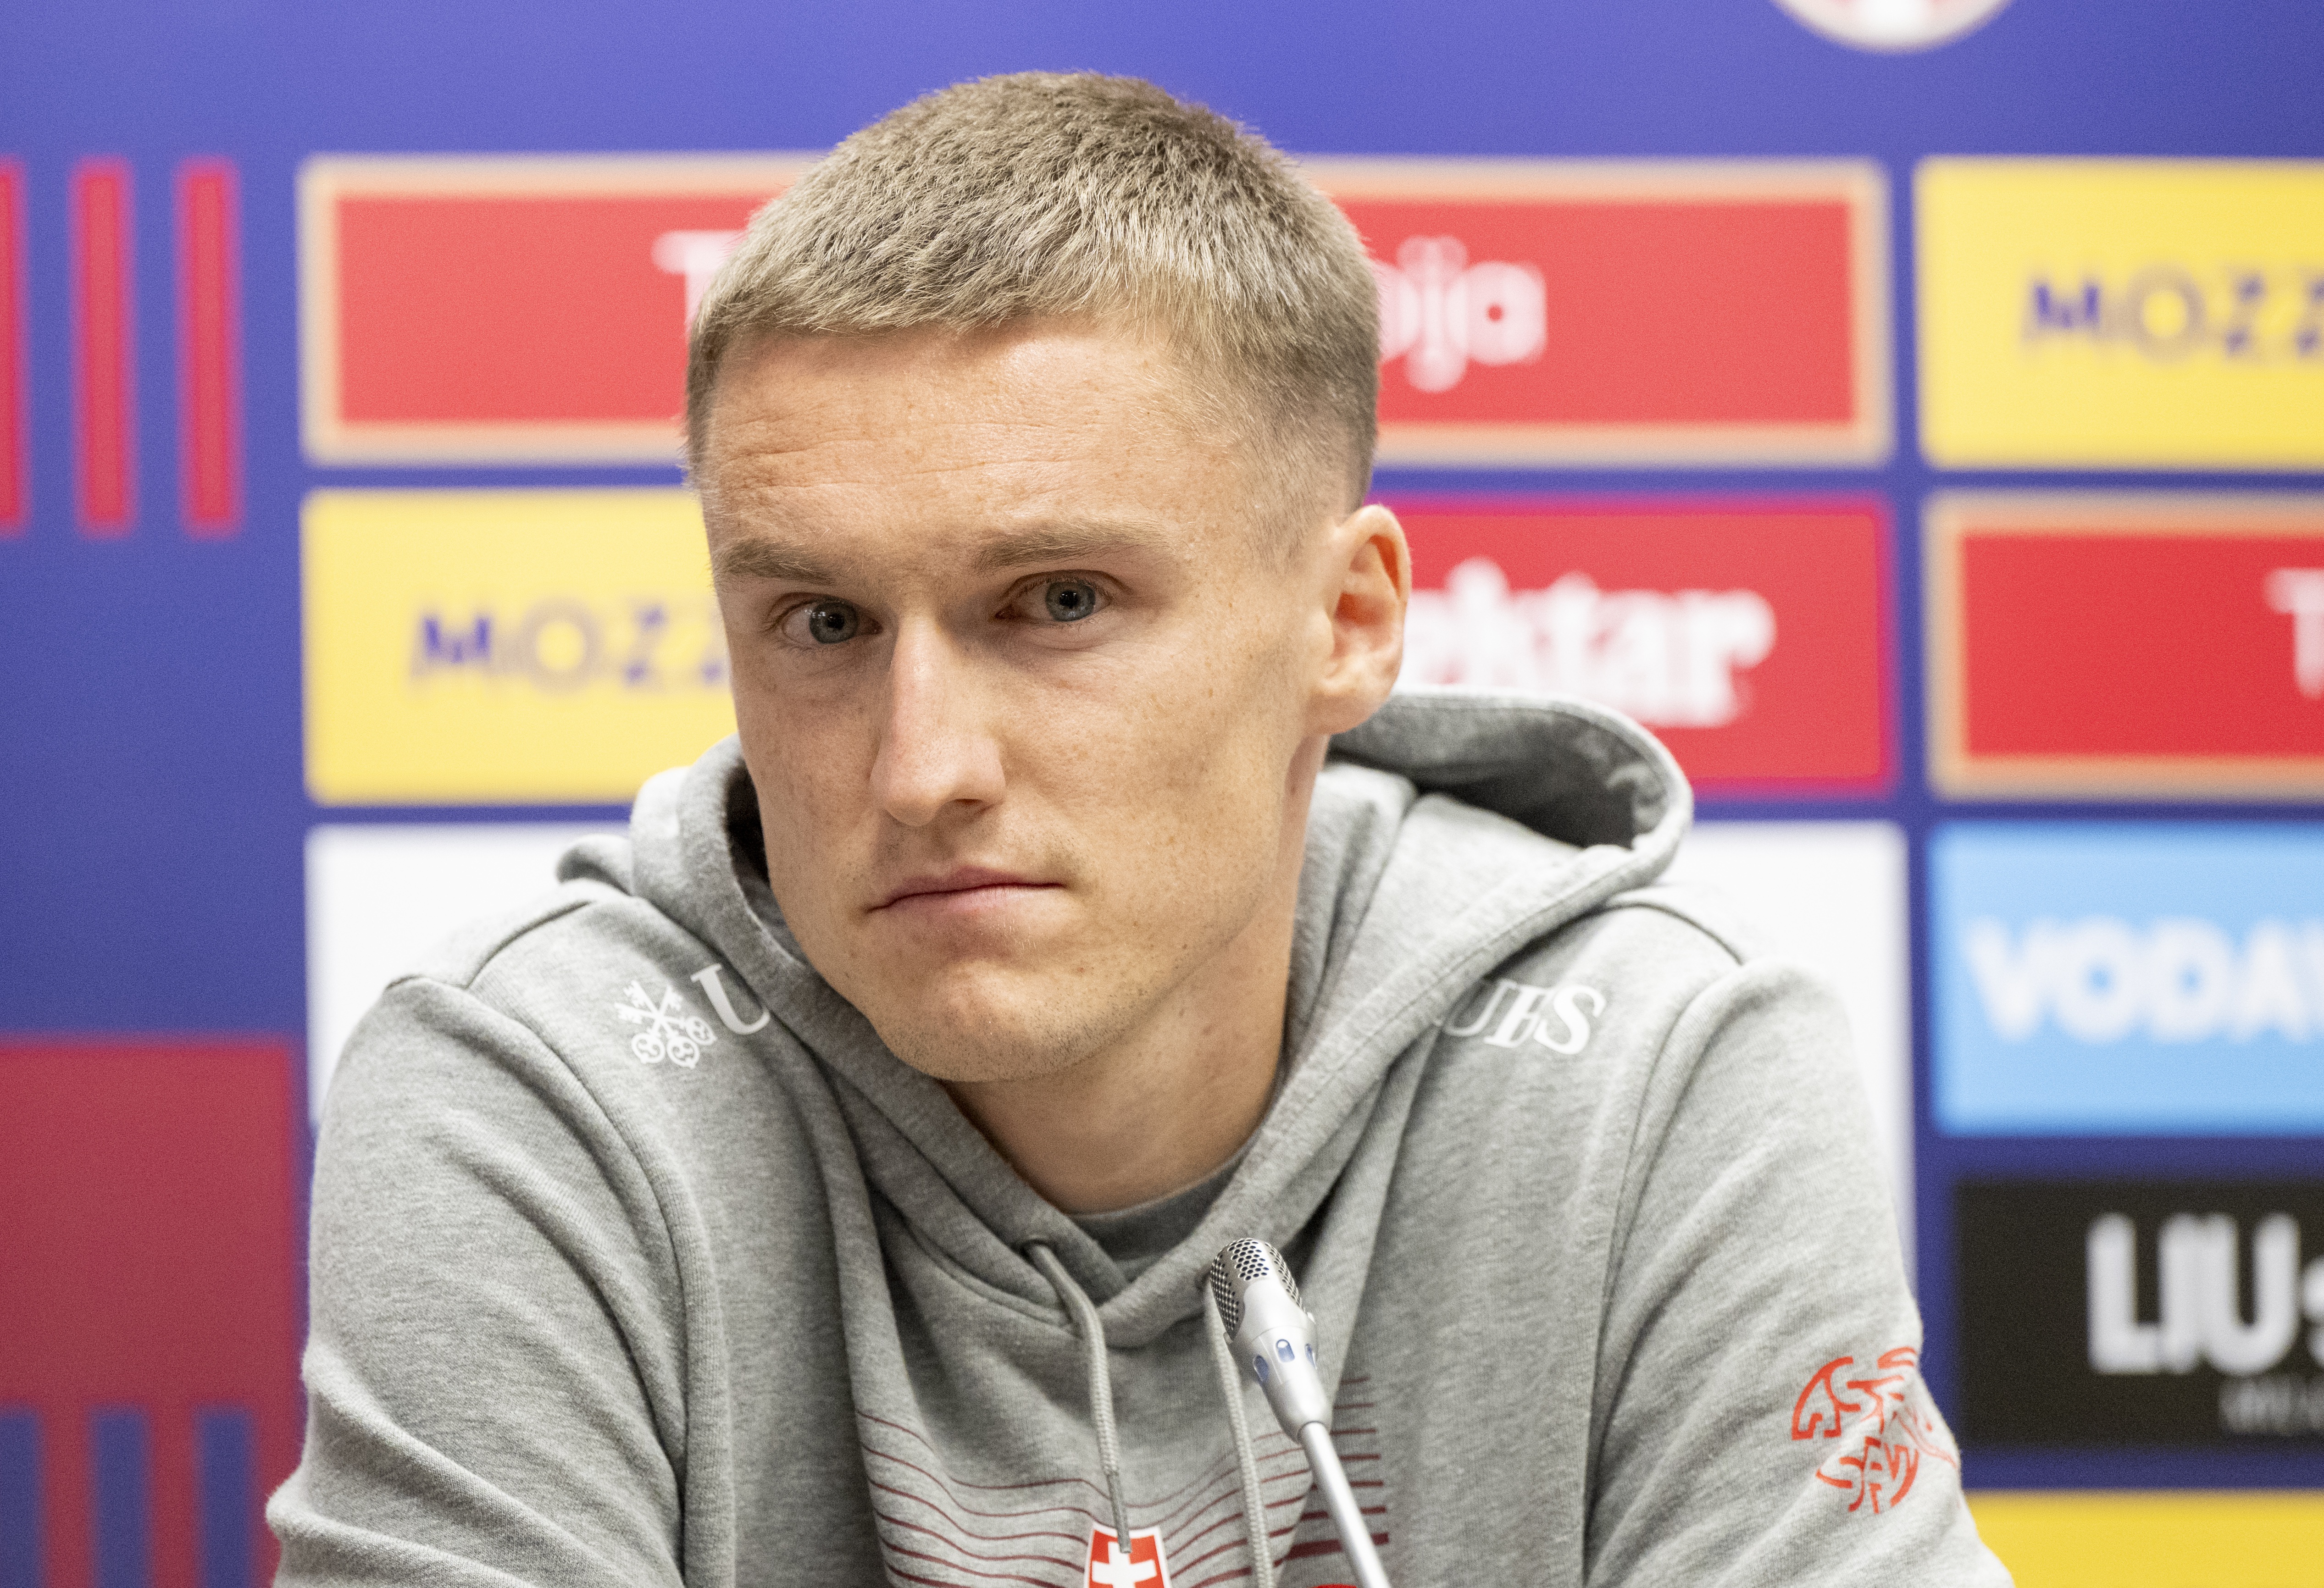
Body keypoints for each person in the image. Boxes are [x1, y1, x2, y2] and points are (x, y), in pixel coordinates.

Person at [271, 72, 2009, 1588]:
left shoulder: (1657, 1073)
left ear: (1346, 621)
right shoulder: (536, 1093)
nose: (918, 768)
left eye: (1058, 601)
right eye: (822, 623)